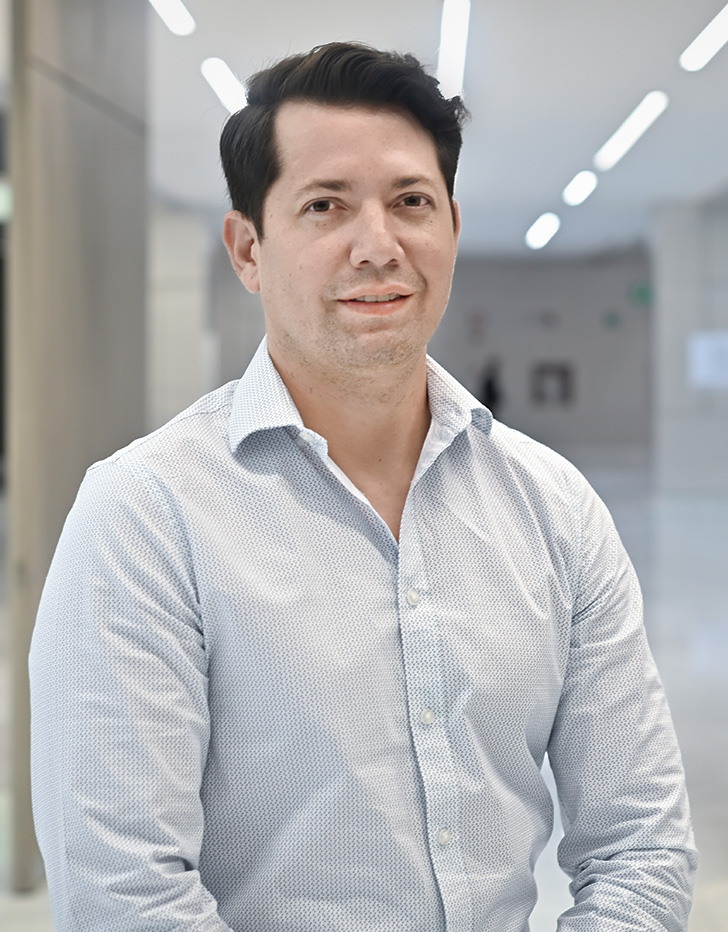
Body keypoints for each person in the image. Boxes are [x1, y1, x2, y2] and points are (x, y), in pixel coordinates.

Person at [29, 42, 697, 932]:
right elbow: (124, 894)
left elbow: (641, 848)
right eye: (325, 206)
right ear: (248, 248)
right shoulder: (146, 517)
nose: (378, 246)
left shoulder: (556, 509)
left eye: (411, 202)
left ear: (451, 227)